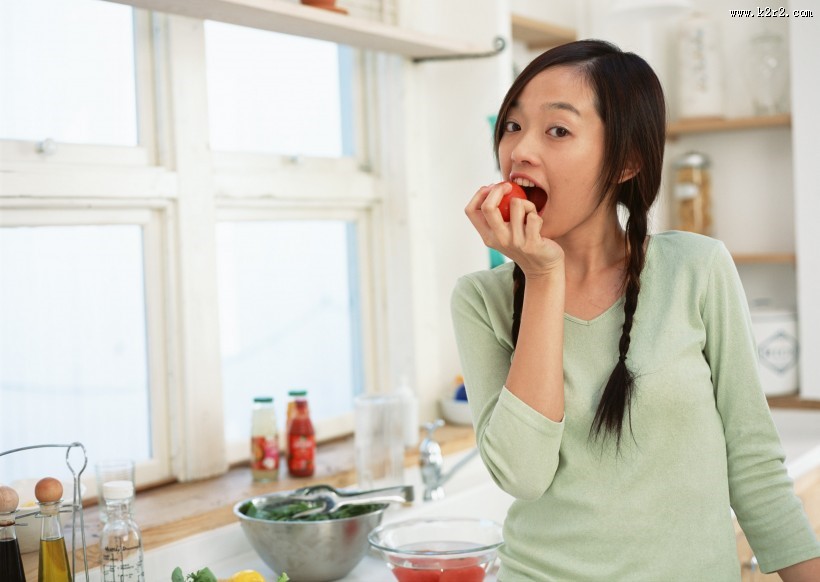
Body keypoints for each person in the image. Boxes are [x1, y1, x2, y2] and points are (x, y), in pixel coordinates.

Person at [451, 39, 820, 581]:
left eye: (557, 130)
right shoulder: (481, 300)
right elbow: (523, 475)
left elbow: (754, 468)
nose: (520, 150)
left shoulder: (698, 269)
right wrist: (543, 277)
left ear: (627, 161)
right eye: (512, 126)